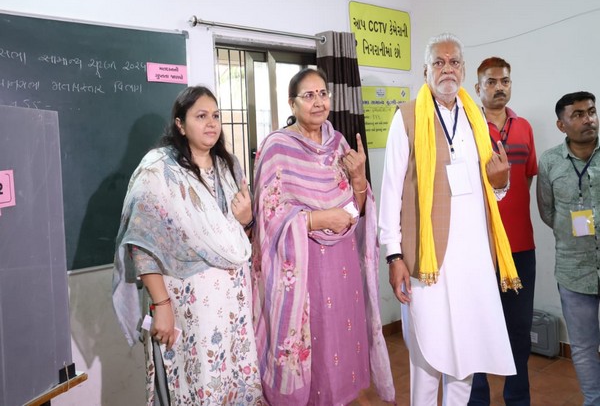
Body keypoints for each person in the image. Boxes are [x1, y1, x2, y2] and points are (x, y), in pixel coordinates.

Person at [379, 33, 522, 405]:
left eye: (454, 62)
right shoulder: (407, 117)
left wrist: (501, 184)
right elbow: (391, 192)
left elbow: (489, 191)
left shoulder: (476, 120)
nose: (447, 69)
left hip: (474, 260)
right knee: (427, 358)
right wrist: (394, 257)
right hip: (427, 262)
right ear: (426, 70)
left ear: (462, 69)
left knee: (467, 357)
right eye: (439, 62)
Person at [251, 68, 394, 405]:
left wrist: (359, 181)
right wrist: (316, 219)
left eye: (323, 94)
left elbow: (356, 211)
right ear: (292, 102)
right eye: (309, 95)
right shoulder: (277, 148)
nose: (318, 102)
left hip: (343, 263)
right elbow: (268, 217)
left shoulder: (339, 144)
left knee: (342, 338)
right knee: (316, 340)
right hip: (304, 266)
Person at [112, 86, 264, 405]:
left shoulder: (230, 166)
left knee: (235, 383)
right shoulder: (159, 172)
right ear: (180, 125)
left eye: (215, 115)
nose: (211, 123)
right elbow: (141, 244)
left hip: (233, 301)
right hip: (190, 305)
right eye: (200, 116)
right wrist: (162, 306)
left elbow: (240, 237)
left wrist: (248, 218)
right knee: (198, 385)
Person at [469, 57, 538, 406]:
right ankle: (476, 399)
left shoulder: (524, 126)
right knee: (477, 328)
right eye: (492, 81)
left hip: (521, 247)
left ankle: (517, 398)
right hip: (478, 248)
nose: (500, 87)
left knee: (518, 332)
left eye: (505, 81)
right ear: (478, 87)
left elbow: (525, 177)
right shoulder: (466, 126)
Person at [537, 91, 600, 406]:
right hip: (573, 270)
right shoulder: (549, 161)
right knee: (584, 346)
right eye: (577, 114)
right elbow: (548, 213)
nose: (588, 119)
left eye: (591, 111)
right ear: (561, 125)